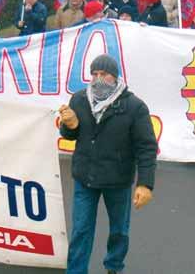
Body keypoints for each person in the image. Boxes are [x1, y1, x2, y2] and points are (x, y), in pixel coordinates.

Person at [59, 54, 157, 274]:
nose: (98, 79)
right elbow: (70, 134)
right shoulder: (79, 99)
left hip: (118, 179)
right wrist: (69, 125)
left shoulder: (134, 106)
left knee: (119, 231)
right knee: (81, 231)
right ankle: (75, 271)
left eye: (103, 74)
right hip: (85, 177)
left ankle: (113, 267)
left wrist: (145, 184)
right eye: (94, 74)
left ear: (115, 77)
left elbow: (146, 147)